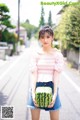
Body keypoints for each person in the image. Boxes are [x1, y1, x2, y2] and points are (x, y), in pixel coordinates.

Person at [27, 25, 64, 120]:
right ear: (39, 39)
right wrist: (33, 93)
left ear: (52, 37)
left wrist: (55, 94)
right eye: (42, 37)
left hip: (51, 86)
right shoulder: (35, 54)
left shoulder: (57, 55)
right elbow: (34, 74)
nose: (45, 40)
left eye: (48, 37)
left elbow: (56, 76)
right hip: (37, 86)